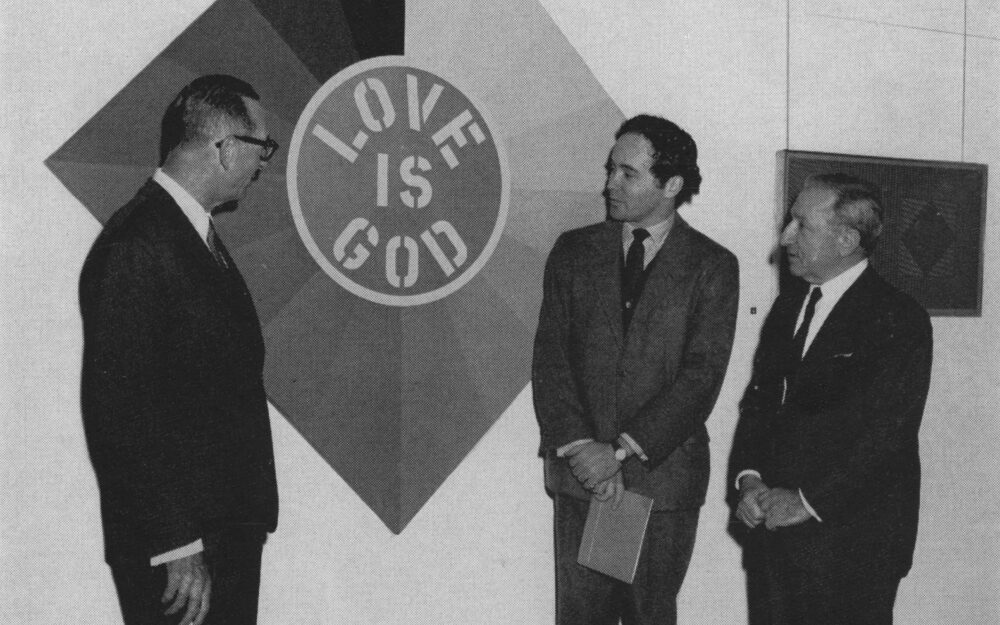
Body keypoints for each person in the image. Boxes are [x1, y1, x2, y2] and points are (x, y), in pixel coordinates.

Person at [79, 75, 280, 625]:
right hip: (182, 553)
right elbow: (120, 410)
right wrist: (174, 545)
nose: (263, 164)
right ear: (226, 147)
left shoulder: (182, 233)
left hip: (215, 536)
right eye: (262, 147)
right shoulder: (138, 242)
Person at [532, 114, 739, 625]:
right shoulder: (574, 252)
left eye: (628, 174)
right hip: (584, 477)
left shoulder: (712, 266)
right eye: (611, 169)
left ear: (671, 185)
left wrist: (620, 452)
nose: (610, 184)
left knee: (648, 617)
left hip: (657, 481)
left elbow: (701, 378)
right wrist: (584, 449)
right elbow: (551, 359)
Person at [729, 173, 933, 624]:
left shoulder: (899, 318)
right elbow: (759, 406)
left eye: (801, 225)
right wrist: (749, 479)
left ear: (846, 240)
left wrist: (806, 501)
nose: (786, 237)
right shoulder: (787, 307)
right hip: (774, 539)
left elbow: (886, 437)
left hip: (852, 547)